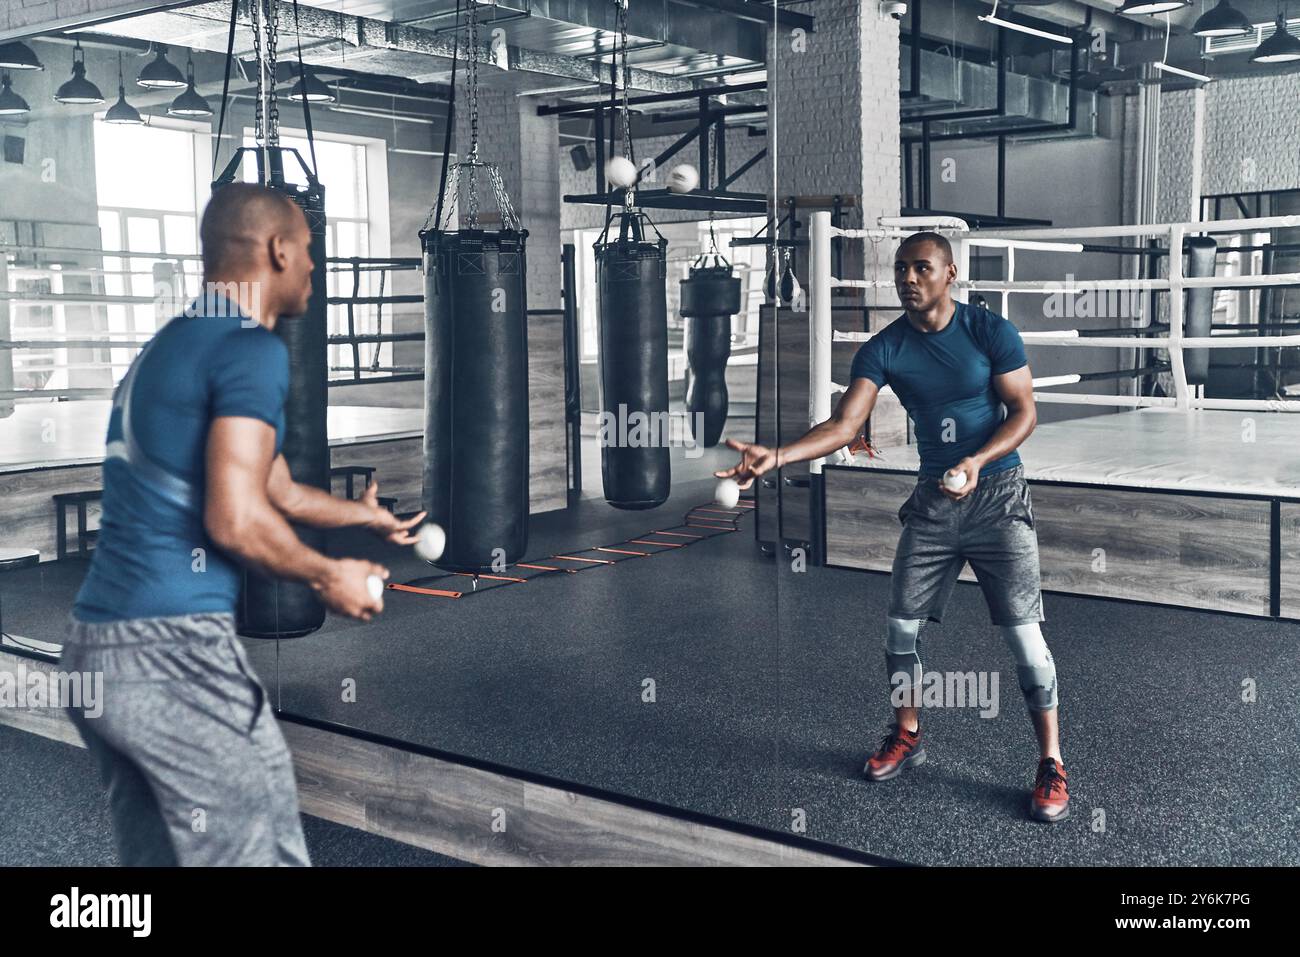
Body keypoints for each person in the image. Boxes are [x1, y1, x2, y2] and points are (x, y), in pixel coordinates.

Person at [62, 182, 425, 865]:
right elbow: (234, 517)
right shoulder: (250, 349)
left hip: (97, 653)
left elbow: (273, 484)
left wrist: (363, 517)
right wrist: (328, 573)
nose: (316, 266)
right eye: (311, 250)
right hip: (172, 656)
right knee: (261, 852)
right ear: (278, 249)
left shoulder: (170, 345)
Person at [717, 231, 1069, 823]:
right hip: (934, 503)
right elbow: (844, 424)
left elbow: (1024, 411)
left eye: (921, 268)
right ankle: (906, 732)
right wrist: (775, 456)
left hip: (998, 497)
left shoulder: (989, 331)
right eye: (901, 269)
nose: (908, 278)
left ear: (949, 273)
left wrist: (976, 462)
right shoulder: (883, 349)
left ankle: (1051, 762)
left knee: (1024, 641)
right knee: (899, 631)